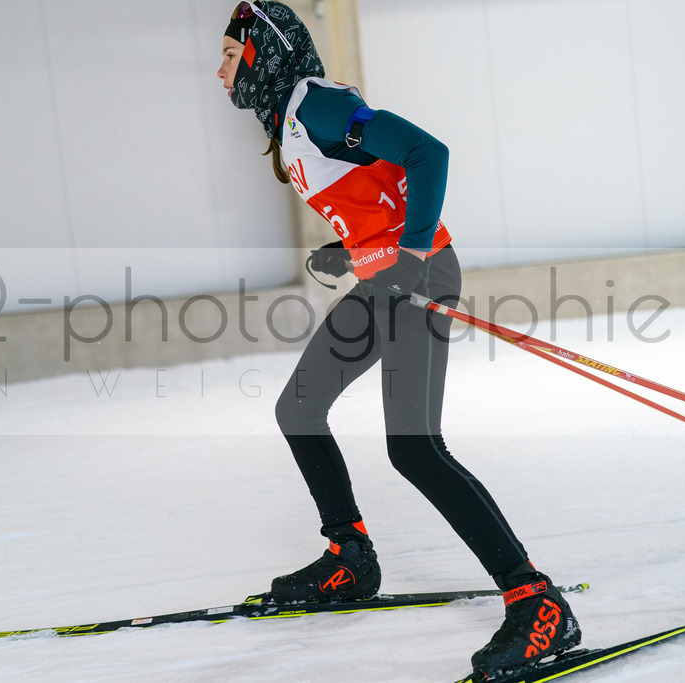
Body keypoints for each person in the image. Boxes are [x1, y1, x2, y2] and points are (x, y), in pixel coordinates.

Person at [217, 2, 581, 679]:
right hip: (386, 279)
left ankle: (539, 604)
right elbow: (377, 197)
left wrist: (409, 256)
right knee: (298, 407)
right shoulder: (296, 124)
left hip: (419, 275)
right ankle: (350, 559)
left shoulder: (315, 105)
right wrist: (348, 250)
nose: (220, 73)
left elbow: (427, 152)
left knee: (414, 448)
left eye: (230, 56)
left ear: (262, 55)